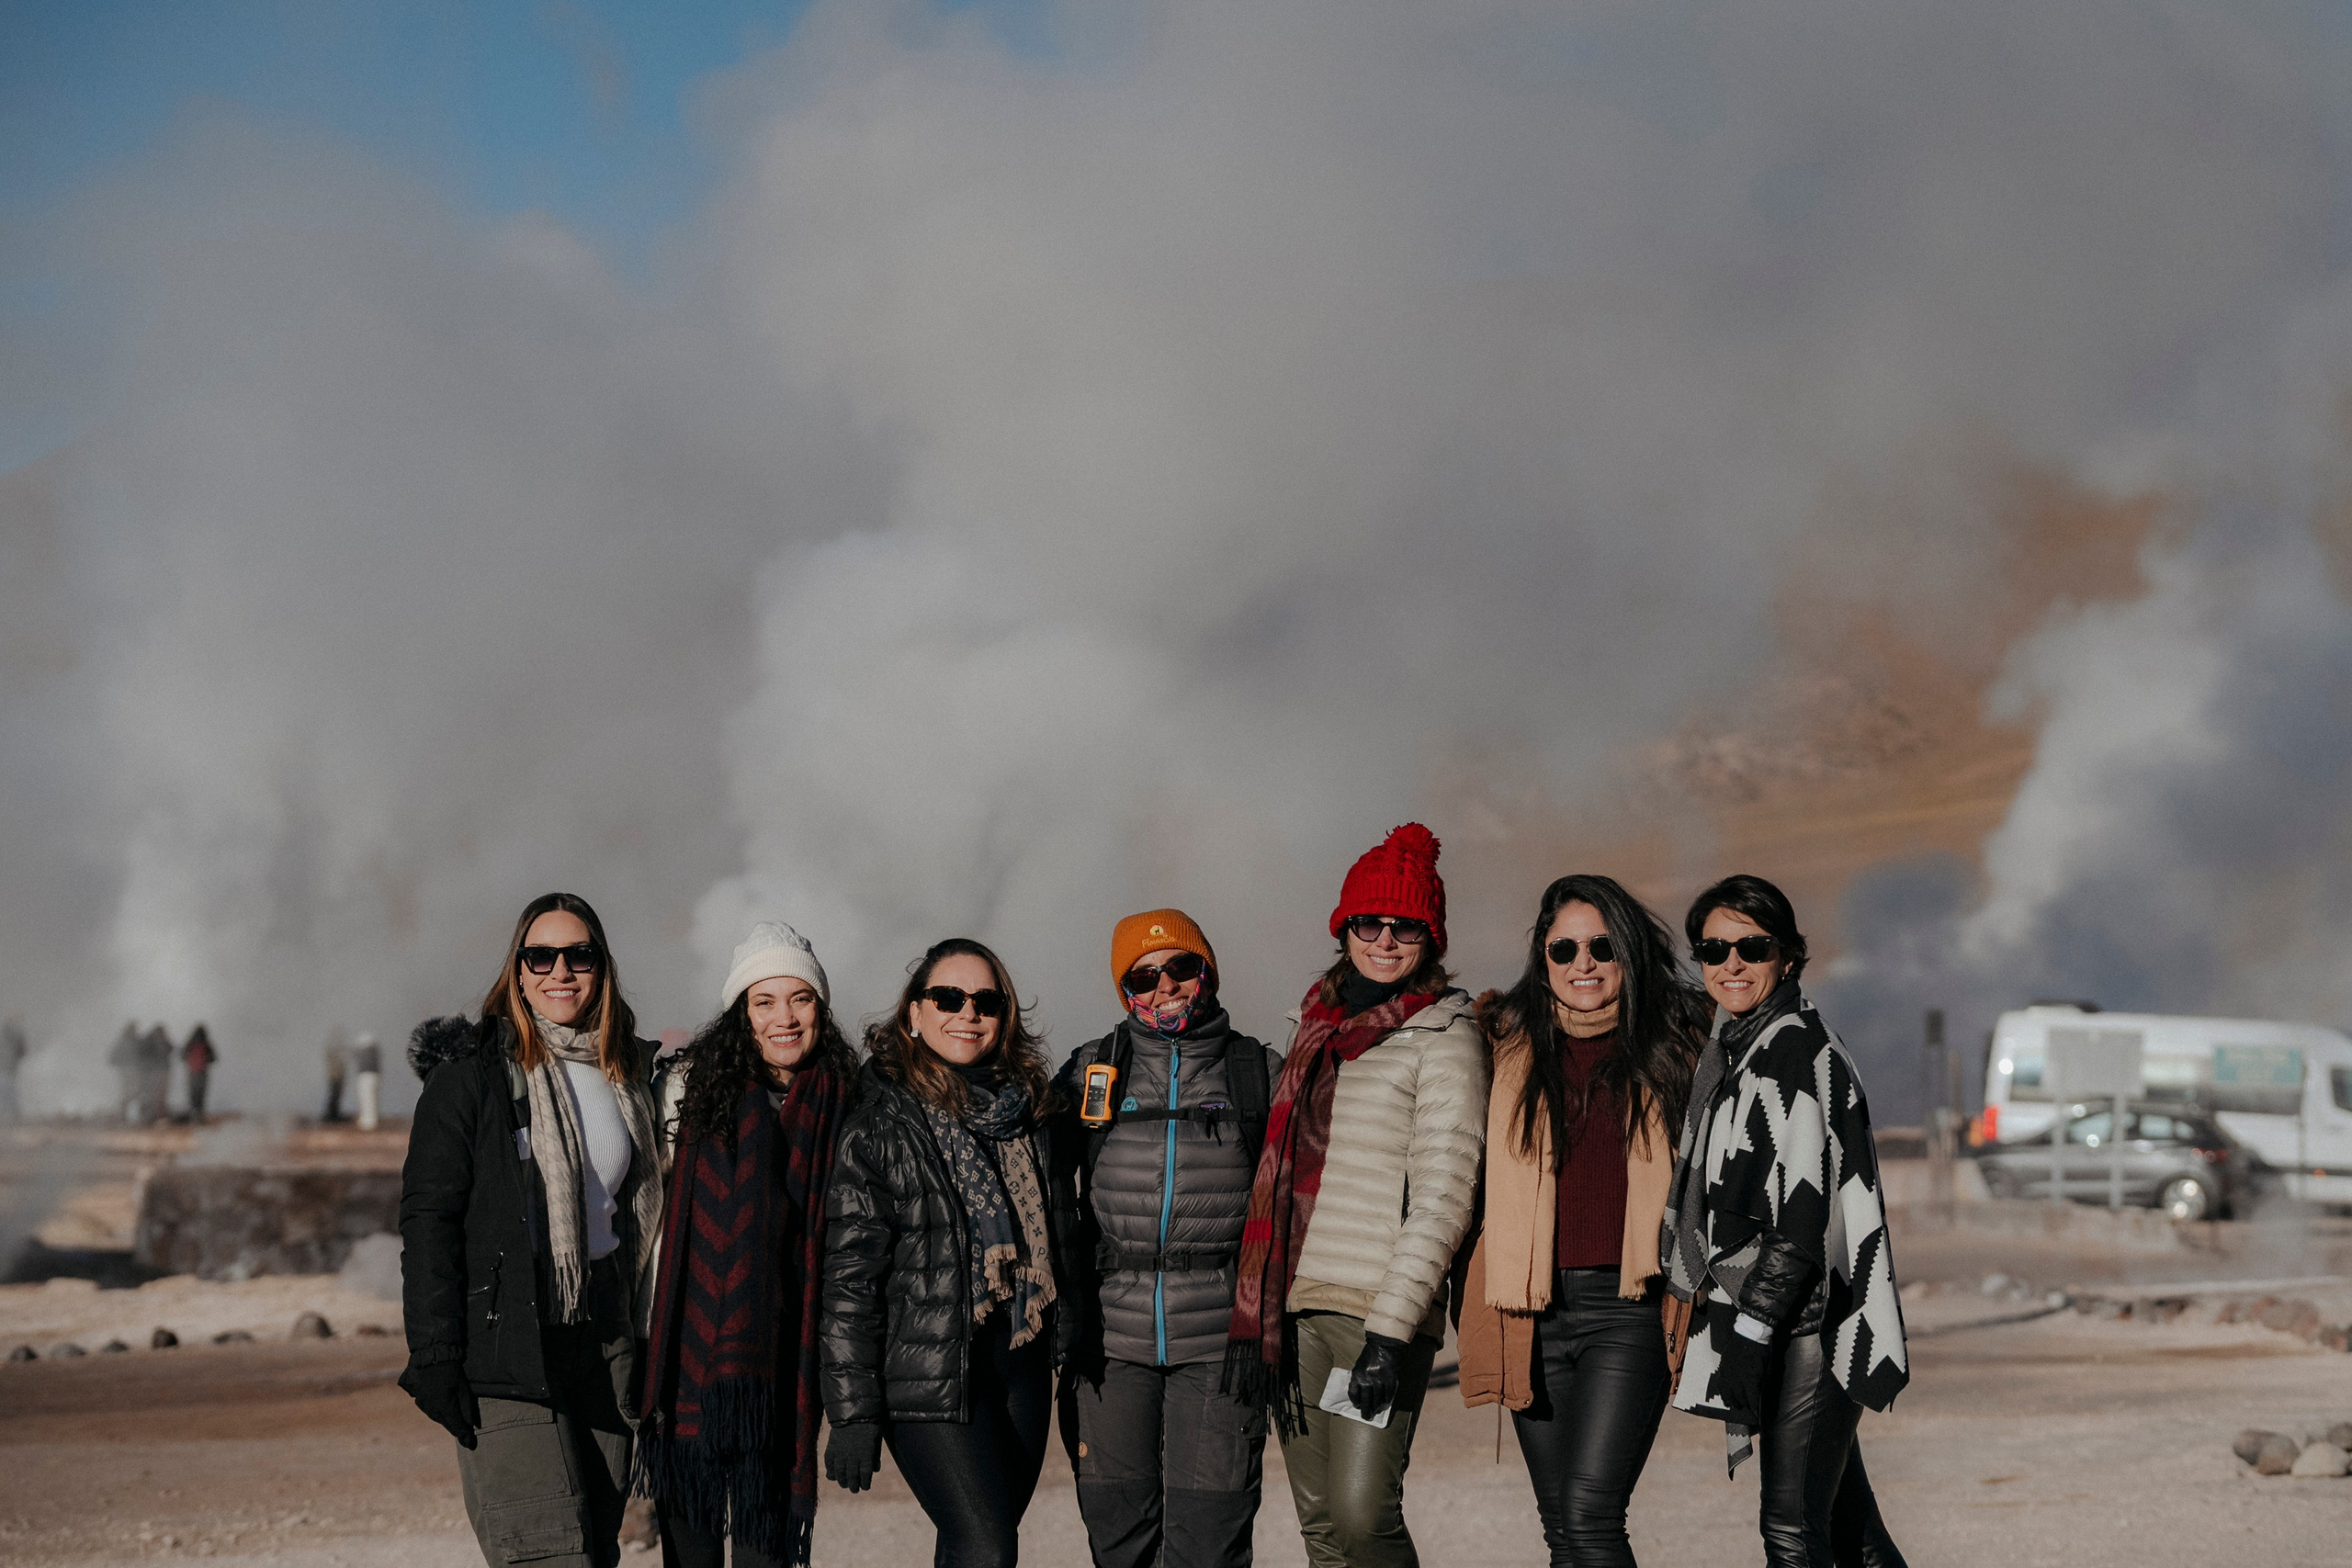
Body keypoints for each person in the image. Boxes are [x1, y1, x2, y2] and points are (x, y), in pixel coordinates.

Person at [1226, 823, 1487, 1568]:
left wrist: (1390, 1333)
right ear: (1344, 928)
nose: (1385, 939)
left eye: (1406, 926)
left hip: (1375, 1315)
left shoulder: (1446, 1037)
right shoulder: (1312, 1027)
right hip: (1294, 1304)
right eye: (1369, 922)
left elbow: (1444, 1197)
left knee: (1363, 1515)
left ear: (1431, 938)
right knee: (1321, 1526)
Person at [400, 891, 666, 1568]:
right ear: (517, 970)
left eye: (580, 955)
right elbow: (428, 1220)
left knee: (596, 1550)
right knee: (547, 1553)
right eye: (541, 956)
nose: (560, 971)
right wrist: (435, 1355)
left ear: (602, 967)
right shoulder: (471, 1079)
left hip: (603, 1338)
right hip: (509, 1339)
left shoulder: (624, 1073)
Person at [1455, 875, 1706, 1568]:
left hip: (1630, 1307)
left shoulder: (1679, 1041)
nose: (1583, 963)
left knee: (1591, 1515)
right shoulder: (1502, 1041)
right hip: (1527, 1310)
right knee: (1562, 1529)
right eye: (1564, 948)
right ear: (1543, 957)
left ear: (1628, 951)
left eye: (1602, 946)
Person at [1661, 874, 1909, 1568]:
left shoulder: (1793, 1048)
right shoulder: (1741, 1047)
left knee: (1792, 1532)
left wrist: (1749, 1333)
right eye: (1713, 950)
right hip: (1795, 1317)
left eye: (1753, 947)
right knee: (1852, 1531)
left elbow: (1801, 1220)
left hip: (1809, 1323)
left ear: (1789, 955)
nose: (1731, 964)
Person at [820, 938, 1076, 1568]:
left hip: (1019, 1363)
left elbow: (1062, 1233)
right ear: (914, 1013)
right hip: (927, 1372)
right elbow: (850, 1280)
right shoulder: (880, 1125)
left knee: (981, 1545)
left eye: (986, 1001)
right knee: (986, 1544)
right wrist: (852, 1412)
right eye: (948, 998)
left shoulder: (1032, 1114)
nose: (968, 1012)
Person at [1053, 909, 1280, 1568]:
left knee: (1210, 1545)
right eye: (1144, 976)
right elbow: (1034, 1182)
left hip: (1221, 1343)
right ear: (1126, 990)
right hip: (1110, 1344)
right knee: (1119, 1540)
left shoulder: (1257, 1070)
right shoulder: (1091, 1069)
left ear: (1207, 971)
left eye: (1181, 967)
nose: (1165, 986)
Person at [634, 921, 857, 1568]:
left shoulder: (845, 1103)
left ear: (820, 1008)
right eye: (765, 1001)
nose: (784, 1018)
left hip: (785, 1369)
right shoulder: (686, 1092)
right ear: (741, 1013)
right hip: (686, 1369)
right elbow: (645, 1218)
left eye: (801, 999)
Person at [182, 1025, 217, 1125]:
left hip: (192, 1073)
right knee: (200, 1095)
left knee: (193, 1095)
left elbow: (182, 1056)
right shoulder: (206, 1044)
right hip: (202, 1073)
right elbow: (213, 1058)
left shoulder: (190, 1043)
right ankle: (199, 1116)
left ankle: (194, 1115)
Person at [139, 1023, 174, 1124]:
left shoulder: (159, 1042)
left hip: (159, 1072)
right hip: (153, 1073)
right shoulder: (150, 1042)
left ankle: (157, 1116)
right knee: (154, 1094)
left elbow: (170, 1049)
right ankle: (152, 1116)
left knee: (160, 1094)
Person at [110, 1021, 141, 1122]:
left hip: (131, 1070)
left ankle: (127, 1115)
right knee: (131, 1092)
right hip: (129, 1070)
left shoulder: (124, 1041)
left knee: (131, 1092)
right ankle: (126, 1115)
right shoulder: (130, 1041)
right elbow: (113, 1057)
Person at [0, 1014, 28, 1123]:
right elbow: (22, 1052)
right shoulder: (12, 1034)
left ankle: (11, 1114)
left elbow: (22, 1051)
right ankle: (11, 1114)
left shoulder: (16, 1035)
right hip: (7, 1067)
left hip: (9, 1067)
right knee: (8, 1090)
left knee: (9, 1089)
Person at [354, 1033, 384, 1131]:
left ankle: (369, 1121)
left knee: (367, 1099)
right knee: (371, 1099)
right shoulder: (375, 1052)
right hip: (373, 1076)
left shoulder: (363, 1052)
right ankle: (370, 1120)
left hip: (365, 1077)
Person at [323, 1031, 351, 1122]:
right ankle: (331, 1116)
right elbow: (335, 1062)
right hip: (335, 1076)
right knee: (334, 1096)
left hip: (339, 1076)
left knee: (337, 1096)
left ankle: (334, 1114)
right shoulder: (331, 1050)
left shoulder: (336, 1051)